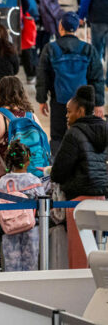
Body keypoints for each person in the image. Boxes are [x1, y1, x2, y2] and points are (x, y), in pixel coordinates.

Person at [51, 85, 108, 268]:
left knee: (79, 256)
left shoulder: (74, 133)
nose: (66, 116)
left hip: (78, 202)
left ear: (81, 111)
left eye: (69, 112)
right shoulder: (104, 129)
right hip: (102, 198)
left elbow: (58, 171)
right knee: (99, 252)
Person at [36, 12, 104, 154]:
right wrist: (98, 103)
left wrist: (42, 100)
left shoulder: (50, 48)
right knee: (84, 135)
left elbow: (42, 75)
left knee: (57, 136)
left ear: (60, 27)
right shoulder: (88, 49)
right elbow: (96, 77)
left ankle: (57, 167)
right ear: (76, 28)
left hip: (59, 101)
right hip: (83, 103)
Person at [0, 140, 44, 272]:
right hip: (30, 228)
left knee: (11, 262)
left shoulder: (3, 181)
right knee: (30, 262)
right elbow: (43, 203)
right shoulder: (33, 180)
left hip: (9, 228)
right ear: (28, 161)